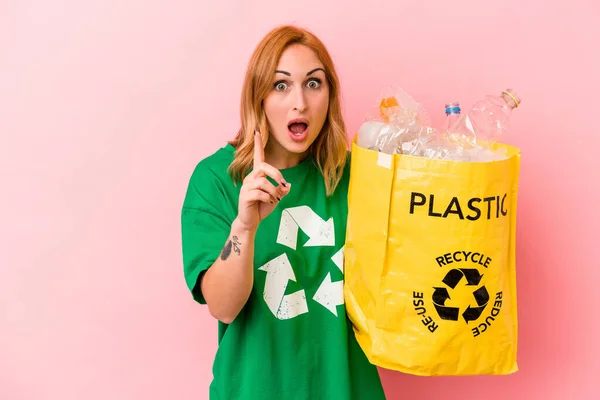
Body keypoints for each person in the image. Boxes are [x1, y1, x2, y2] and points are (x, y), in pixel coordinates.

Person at [180, 25, 386, 400]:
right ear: (258, 96)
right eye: (281, 85)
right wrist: (244, 226)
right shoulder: (215, 179)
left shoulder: (360, 176)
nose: (300, 103)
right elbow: (223, 308)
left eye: (313, 83)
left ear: (330, 95)